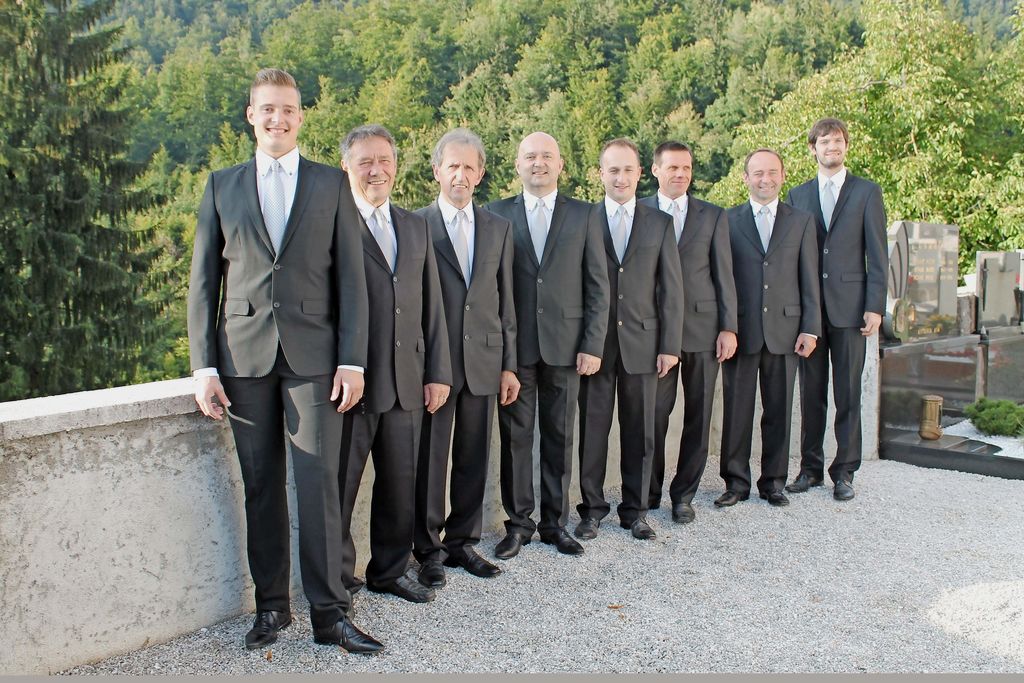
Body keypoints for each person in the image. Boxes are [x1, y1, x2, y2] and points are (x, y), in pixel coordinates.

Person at [187, 68, 381, 653]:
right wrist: (203, 367)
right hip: (241, 360)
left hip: (314, 359)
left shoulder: (330, 183)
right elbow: (203, 282)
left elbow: (352, 280)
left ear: (300, 116)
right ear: (251, 115)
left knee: (319, 486)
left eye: (288, 109)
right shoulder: (221, 186)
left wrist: (352, 359)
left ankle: (330, 614)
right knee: (262, 486)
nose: (278, 118)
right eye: (268, 108)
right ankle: (272, 607)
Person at [337, 124, 452, 604]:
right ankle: (337, 579)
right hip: (351, 385)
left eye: (384, 160)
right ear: (346, 166)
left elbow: (432, 305)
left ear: (396, 166)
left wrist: (438, 372)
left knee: (400, 485)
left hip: (408, 379)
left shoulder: (414, 225)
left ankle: (388, 571)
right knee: (340, 488)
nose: (376, 170)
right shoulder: (332, 222)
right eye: (365, 161)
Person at [485, 131, 610, 559]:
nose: (538, 162)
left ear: (561, 165)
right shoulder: (495, 214)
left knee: (560, 436)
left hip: (567, 347)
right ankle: (519, 525)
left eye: (546, 156)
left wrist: (593, 343)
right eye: (530, 156)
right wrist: (501, 355)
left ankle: (555, 524)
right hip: (515, 350)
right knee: (515, 440)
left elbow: (598, 286)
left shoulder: (585, 215)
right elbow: (492, 290)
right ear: (517, 164)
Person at [413, 128, 519, 588]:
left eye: (468, 167)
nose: (460, 174)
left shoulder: (498, 228)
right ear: (437, 170)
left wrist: (509, 365)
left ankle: (462, 542)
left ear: (480, 173)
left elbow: (505, 300)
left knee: (474, 456)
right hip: (434, 366)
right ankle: (428, 550)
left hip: (484, 361)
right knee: (431, 460)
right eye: (452, 166)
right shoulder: (415, 225)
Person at [575, 138, 683, 541]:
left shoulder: (660, 223)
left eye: (627, 170)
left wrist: (669, 345)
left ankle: (635, 511)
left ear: (640, 173)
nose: (620, 178)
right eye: (613, 170)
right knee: (593, 430)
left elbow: (671, 289)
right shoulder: (583, 219)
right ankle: (591, 510)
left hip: (644, 344)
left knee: (641, 431)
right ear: (600, 174)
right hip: (596, 346)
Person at [784, 118, 888, 501]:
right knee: (811, 394)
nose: (832, 147)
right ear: (813, 148)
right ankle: (810, 469)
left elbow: (878, 253)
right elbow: (792, 256)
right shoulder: (797, 195)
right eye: (825, 141)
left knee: (848, 394)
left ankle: (844, 472)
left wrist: (875, 305)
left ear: (846, 146)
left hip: (851, 310)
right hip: (810, 314)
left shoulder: (867, 192)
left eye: (838, 140)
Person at [639, 141, 738, 524]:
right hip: (654, 332)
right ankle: (648, 493)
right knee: (654, 416)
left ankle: (683, 496)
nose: (681, 174)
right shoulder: (640, 211)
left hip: (703, 329)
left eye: (687, 168)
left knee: (699, 415)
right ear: (655, 170)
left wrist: (728, 327)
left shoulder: (712, 216)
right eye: (673, 167)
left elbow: (724, 275)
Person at [717, 149, 821, 509]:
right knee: (737, 411)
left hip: (786, 330)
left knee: (779, 410)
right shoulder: (727, 220)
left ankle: (773, 482)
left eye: (772, 172)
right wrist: (726, 326)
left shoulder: (802, 221)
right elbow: (722, 278)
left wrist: (810, 328)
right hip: (741, 331)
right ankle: (735, 482)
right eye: (758, 173)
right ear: (745, 178)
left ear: (782, 175)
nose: (766, 179)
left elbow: (809, 278)